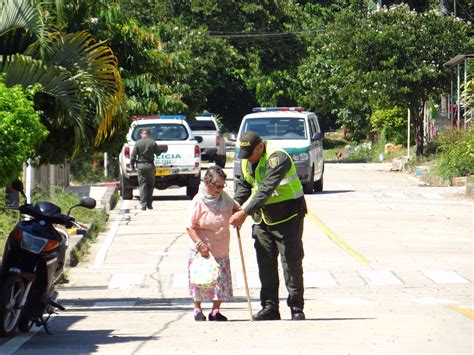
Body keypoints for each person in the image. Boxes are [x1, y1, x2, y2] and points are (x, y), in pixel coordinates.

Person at [230, 131, 307, 321]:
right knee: (265, 264)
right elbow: (244, 185)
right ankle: (270, 307)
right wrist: (234, 207)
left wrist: (243, 213)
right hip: (261, 219)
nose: (248, 159)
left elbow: (266, 188)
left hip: (287, 216)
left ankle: (296, 306)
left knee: (291, 262)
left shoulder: (278, 157)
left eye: (251, 154)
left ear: (260, 147)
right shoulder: (246, 159)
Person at [186, 166, 240, 321]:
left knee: (220, 281)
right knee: (201, 280)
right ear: (207, 182)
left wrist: (238, 217)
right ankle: (197, 310)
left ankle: (215, 311)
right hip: (202, 250)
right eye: (218, 186)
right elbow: (189, 226)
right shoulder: (198, 200)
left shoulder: (224, 197)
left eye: (223, 185)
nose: (220, 189)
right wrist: (199, 244)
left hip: (220, 248)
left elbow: (236, 208)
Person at [130, 128, 166, 210]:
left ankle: (143, 205)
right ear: (149, 134)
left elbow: (133, 156)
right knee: (150, 185)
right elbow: (158, 153)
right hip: (150, 165)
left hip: (140, 166)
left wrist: (132, 166)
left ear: (142, 134)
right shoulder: (152, 142)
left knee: (142, 185)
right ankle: (149, 204)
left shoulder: (138, 143)